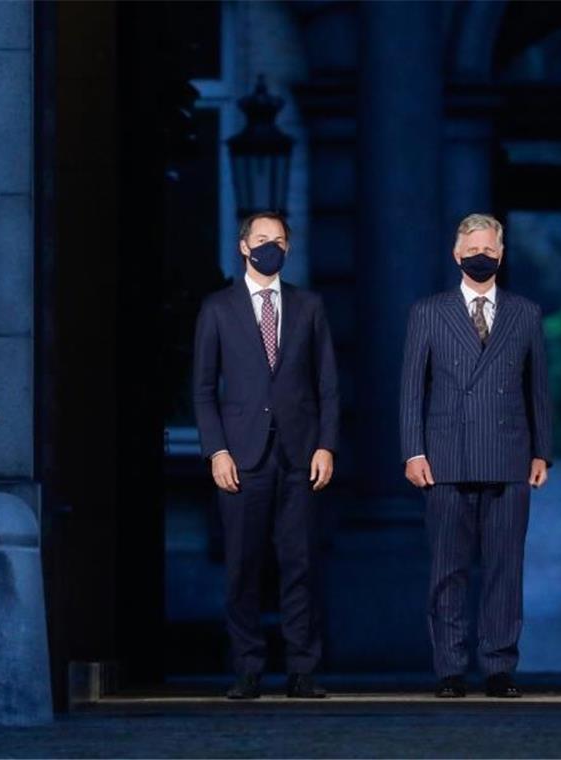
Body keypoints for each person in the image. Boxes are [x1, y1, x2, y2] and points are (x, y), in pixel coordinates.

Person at [399, 213, 552, 699]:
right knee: (448, 567)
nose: (481, 257)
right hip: (446, 458)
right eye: (472, 250)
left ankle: (499, 666)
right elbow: (410, 391)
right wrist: (412, 451)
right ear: (456, 255)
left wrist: (542, 451)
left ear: (502, 255)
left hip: (508, 454)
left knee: (506, 567)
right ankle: (449, 667)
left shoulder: (525, 313)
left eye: (489, 249)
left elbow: (539, 390)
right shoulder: (428, 312)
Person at [192, 211, 339, 699]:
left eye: (278, 240)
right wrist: (216, 450)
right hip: (241, 455)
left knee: (300, 563)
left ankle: (301, 669)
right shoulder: (217, 309)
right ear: (243, 247)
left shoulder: (309, 306)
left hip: (299, 455)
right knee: (242, 565)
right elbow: (203, 390)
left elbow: (328, 386)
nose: (270, 246)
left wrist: (325, 445)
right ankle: (248, 668)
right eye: (261, 240)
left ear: (288, 248)